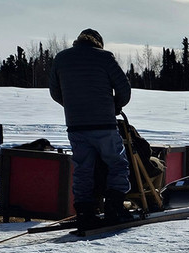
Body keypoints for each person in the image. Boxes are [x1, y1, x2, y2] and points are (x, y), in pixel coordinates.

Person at [49, 28, 133, 228]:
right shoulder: (105, 57)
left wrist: (72, 106)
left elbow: (54, 92)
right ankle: (114, 207)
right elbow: (124, 89)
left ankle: (85, 212)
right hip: (103, 124)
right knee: (117, 164)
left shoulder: (61, 58)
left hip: (76, 126)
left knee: (83, 169)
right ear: (98, 43)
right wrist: (115, 106)